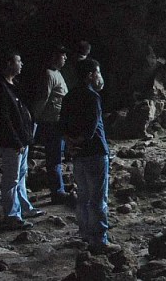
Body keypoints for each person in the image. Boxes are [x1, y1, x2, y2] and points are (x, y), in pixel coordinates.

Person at [60, 58, 118, 253]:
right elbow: (91, 128)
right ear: (90, 75)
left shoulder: (69, 96)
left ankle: (85, 234)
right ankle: (100, 239)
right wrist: (80, 142)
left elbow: (63, 125)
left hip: (78, 154)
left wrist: (71, 143)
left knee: (83, 196)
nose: (99, 77)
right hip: (95, 152)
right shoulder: (93, 97)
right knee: (98, 198)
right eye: (97, 73)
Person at [0, 51, 43, 230]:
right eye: (19, 61)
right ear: (9, 63)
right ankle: (12, 215)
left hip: (22, 139)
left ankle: (25, 207)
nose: (22, 64)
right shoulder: (0, 87)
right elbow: (4, 119)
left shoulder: (14, 85)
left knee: (22, 175)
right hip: (13, 142)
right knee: (12, 178)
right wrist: (16, 141)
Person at [33, 45, 70, 204]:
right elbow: (43, 98)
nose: (66, 58)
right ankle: (57, 192)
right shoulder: (49, 74)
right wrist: (35, 118)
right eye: (63, 55)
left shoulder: (57, 73)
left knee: (57, 157)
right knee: (54, 158)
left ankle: (59, 188)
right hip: (52, 123)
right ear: (55, 56)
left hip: (58, 121)